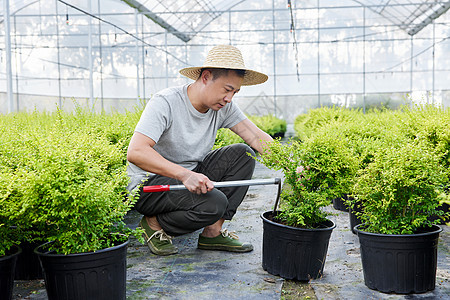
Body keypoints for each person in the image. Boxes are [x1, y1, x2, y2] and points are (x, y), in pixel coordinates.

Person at [126, 45, 273, 256]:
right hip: (150, 184)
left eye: (235, 92)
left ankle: (212, 233)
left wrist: (292, 165)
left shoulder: (224, 108)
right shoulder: (166, 102)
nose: (229, 98)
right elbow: (136, 152)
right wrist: (184, 174)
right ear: (206, 77)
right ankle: (154, 224)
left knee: (244, 153)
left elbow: (255, 137)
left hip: (189, 175)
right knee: (215, 204)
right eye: (227, 89)